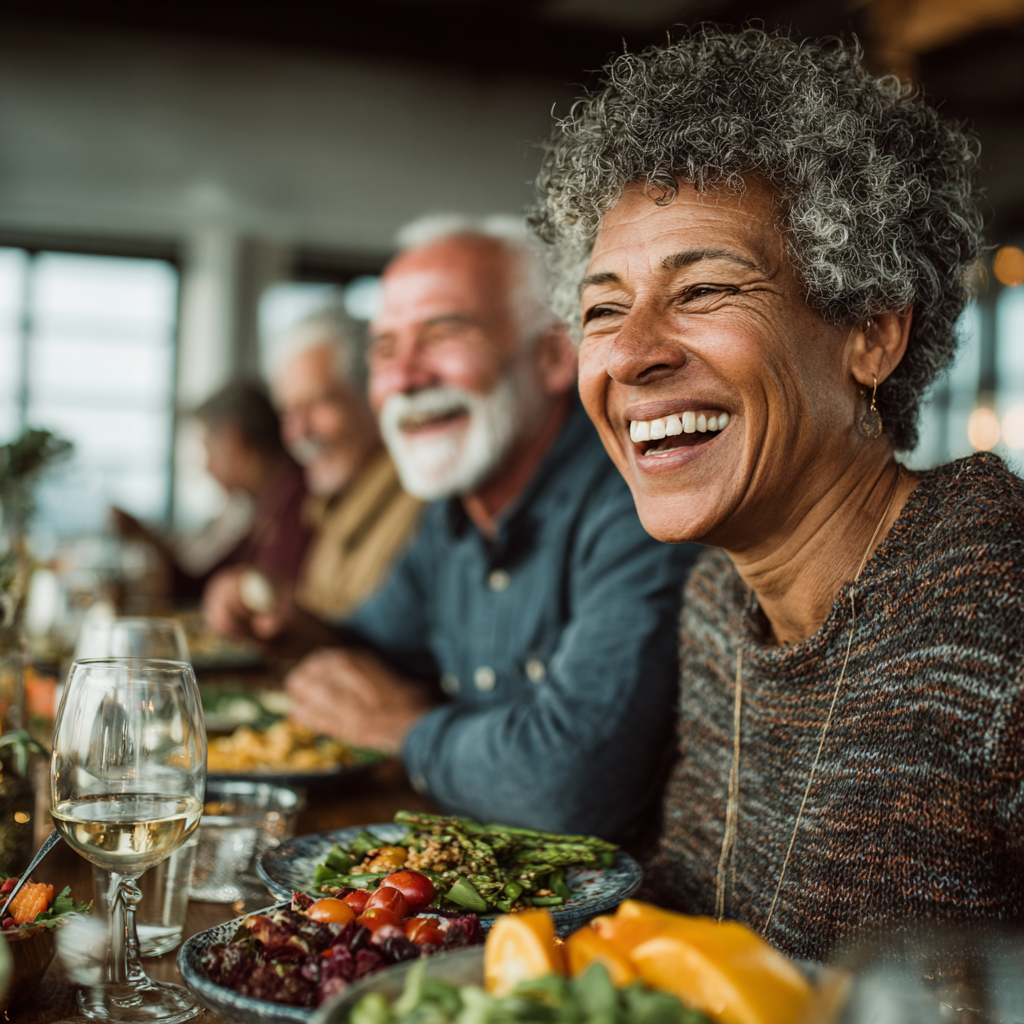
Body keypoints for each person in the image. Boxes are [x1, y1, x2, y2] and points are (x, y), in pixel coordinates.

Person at [530, 25, 1024, 960]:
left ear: (873, 331)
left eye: (705, 289)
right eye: (602, 308)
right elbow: (686, 907)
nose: (631, 352)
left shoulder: (1002, 614)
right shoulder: (722, 598)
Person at [208, 216, 699, 841]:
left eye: (442, 335)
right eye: (385, 350)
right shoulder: (454, 511)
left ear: (552, 354)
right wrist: (288, 624)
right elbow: (380, 653)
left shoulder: (635, 501)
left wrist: (405, 730)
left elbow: (570, 789)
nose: (406, 377)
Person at [268, 310, 423, 618]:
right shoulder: (333, 507)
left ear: (376, 398)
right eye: (288, 413)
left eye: (318, 403)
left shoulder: (420, 508)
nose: (298, 433)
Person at [115, 380, 311, 599]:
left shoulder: (299, 505)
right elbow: (204, 582)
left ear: (232, 444)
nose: (205, 467)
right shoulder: (270, 502)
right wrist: (145, 537)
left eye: (206, 448)